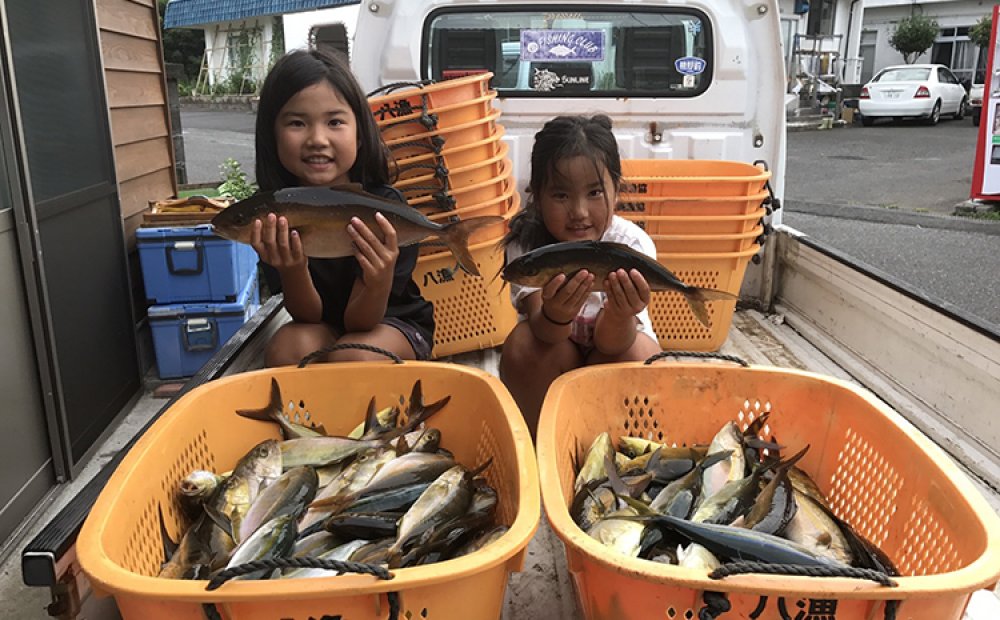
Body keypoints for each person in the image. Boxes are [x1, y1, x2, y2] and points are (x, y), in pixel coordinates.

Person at [251, 48, 434, 366]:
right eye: (297, 123)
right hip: (323, 326)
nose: (317, 139)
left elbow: (360, 324)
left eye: (334, 122)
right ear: (272, 135)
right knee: (287, 349)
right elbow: (307, 315)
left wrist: (379, 278)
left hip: (392, 325)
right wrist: (292, 269)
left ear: (360, 135)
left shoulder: (386, 210)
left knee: (354, 355)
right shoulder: (273, 215)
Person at [499, 114, 661, 434]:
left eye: (595, 193)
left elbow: (614, 345)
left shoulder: (631, 245)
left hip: (615, 347)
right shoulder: (527, 245)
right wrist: (556, 315)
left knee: (639, 354)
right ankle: (541, 440)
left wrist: (619, 313)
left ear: (617, 190)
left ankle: (612, 441)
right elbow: (544, 331)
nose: (579, 212)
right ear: (537, 195)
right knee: (523, 346)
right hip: (555, 354)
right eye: (560, 195)